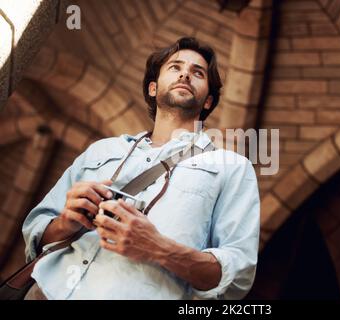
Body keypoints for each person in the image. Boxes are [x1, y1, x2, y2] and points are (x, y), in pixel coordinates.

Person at [22, 37, 260, 300]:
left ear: (207, 101)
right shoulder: (101, 150)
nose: (185, 74)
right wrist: (67, 221)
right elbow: (37, 235)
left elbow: (238, 277)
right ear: (153, 88)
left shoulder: (233, 167)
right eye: (175, 67)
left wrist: (157, 247)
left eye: (198, 72)